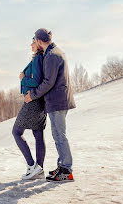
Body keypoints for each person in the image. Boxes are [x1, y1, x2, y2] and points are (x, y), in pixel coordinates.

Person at [25, 28, 76, 182]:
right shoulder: (54, 52)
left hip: (58, 101)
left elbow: (48, 82)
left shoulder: (52, 56)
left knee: (60, 135)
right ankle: (62, 167)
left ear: (40, 41)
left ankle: (66, 170)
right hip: (58, 100)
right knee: (58, 134)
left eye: (35, 41)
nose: (34, 43)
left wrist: (32, 95)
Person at [12, 36, 47, 180]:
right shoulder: (40, 58)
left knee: (16, 132)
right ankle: (38, 170)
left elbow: (36, 81)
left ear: (38, 44)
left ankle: (32, 166)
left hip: (32, 101)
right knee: (38, 134)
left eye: (33, 42)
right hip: (39, 101)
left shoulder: (38, 59)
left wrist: (22, 78)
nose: (31, 44)